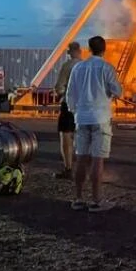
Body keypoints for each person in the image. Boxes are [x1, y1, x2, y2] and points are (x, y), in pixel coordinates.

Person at [65, 36, 122, 212]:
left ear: (89, 49)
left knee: (81, 159)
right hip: (100, 118)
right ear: (103, 49)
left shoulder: (78, 68)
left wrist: (76, 112)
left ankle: (78, 198)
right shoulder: (106, 68)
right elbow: (117, 91)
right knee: (97, 160)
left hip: (81, 118)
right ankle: (97, 201)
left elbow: (70, 94)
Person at [54, 42, 82, 180]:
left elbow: (59, 87)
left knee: (66, 136)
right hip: (85, 107)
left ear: (70, 52)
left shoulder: (68, 66)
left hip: (69, 105)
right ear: (80, 51)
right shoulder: (86, 66)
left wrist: (59, 93)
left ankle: (68, 168)